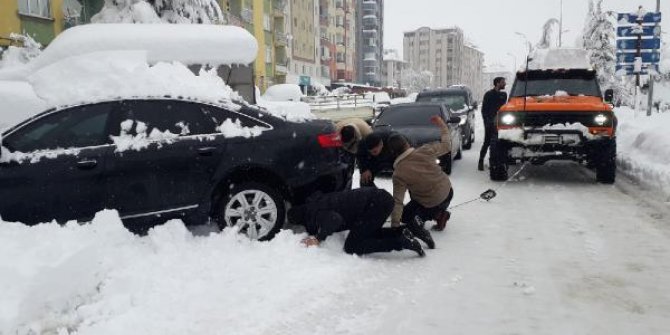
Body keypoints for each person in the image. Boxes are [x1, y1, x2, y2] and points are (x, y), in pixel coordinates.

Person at [287, 188, 434, 256]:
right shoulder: (316, 202)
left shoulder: (314, 214)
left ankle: (401, 242)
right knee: (368, 232)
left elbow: (334, 219)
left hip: (375, 204)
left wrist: (318, 238)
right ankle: (407, 230)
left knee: (352, 246)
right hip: (377, 198)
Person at [388, 115, 454, 232]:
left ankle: (438, 215)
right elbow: (447, 146)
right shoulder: (425, 150)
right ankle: (434, 213)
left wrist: (395, 226)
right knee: (415, 197)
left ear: (393, 153)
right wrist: (442, 125)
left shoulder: (398, 174)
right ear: (407, 144)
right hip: (448, 192)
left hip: (430, 203)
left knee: (406, 218)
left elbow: (398, 201)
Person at [479, 77, 508, 171]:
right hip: (490, 123)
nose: (505, 84)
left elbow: (504, 108)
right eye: (503, 82)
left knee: (500, 142)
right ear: (497, 83)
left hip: (501, 123)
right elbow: (484, 110)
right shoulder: (488, 94)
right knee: (487, 142)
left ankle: (499, 161)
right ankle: (481, 161)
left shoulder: (504, 95)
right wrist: (487, 121)